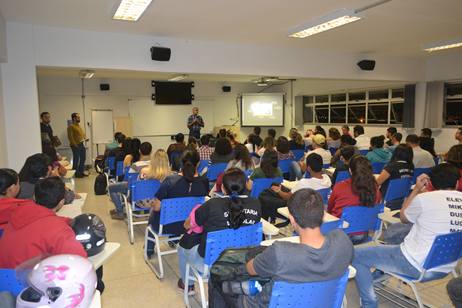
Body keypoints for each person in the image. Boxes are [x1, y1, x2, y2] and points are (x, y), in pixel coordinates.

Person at [353, 164, 462, 308]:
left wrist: (416, 189)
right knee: (398, 237)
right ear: (456, 183)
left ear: (431, 183)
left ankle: (369, 304)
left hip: (415, 265)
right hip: (446, 266)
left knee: (355, 255)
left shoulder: (425, 199)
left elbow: (404, 217)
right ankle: (381, 273)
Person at [238, 189, 353, 307]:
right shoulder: (343, 241)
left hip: (267, 303)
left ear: (292, 220)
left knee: (238, 291)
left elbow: (250, 269)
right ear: (323, 214)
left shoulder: (280, 252)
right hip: (321, 303)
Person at [177, 168, 262, 294]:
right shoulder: (256, 203)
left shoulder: (213, 204)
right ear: (245, 186)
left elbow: (187, 225)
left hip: (211, 262)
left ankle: (187, 285)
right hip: (244, 260)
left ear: (222, 187)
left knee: (182, 247)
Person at [0, 177, 87, 268]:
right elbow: (80, 262)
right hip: (25, 279)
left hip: (4, 275)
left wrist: (66, 220)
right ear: (61, 202)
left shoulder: (18, 210)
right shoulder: (59, 229)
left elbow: (39, 221)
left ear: (34, 196)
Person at [147, 150, 209, 236]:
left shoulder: (170, 180)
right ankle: (174, 241)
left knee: (153, 212)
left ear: (182, 162)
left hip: (166, 226)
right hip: (191, 224)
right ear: (198, 163)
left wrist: (151, 204)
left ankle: (149, 248)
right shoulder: (204, 182)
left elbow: (157, 207)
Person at [328, 156, 381, 243]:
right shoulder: (375, 189)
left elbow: (330, 208)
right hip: (364, 233)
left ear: (350, 170)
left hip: (340, 234)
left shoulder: (340, 187)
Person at [109, 146, 163, 220]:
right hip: (152, 197)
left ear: (140, 151)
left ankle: (120, 212)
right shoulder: (156, 166)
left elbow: (127, 180)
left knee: (111, 187)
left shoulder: (136, 165)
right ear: (150, 152)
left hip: (134, 192)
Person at [67, 112, 87, 178]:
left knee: (83, 159)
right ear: (74, 118)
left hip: (81, 144)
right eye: (78, 117)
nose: (79, 118)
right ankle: (76, 174)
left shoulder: (78, 126)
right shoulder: (71, 127)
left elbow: (81, 134)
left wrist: (85, 138)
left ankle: (81, 172)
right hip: (75, 145)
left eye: (79, 117)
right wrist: (75, 145)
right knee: (76, 159)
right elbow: (70, 137)